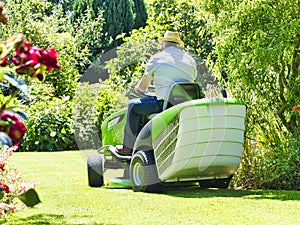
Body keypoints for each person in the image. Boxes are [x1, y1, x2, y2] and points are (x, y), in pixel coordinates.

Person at [116, 30, 198, 155]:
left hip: (165, 105)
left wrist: (138, 88)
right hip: (185, 105)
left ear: (163, 44)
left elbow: (143, 87)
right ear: (178, 45)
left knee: (133, 106)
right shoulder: (190, 60)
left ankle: (128, 147)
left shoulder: (157, 58)